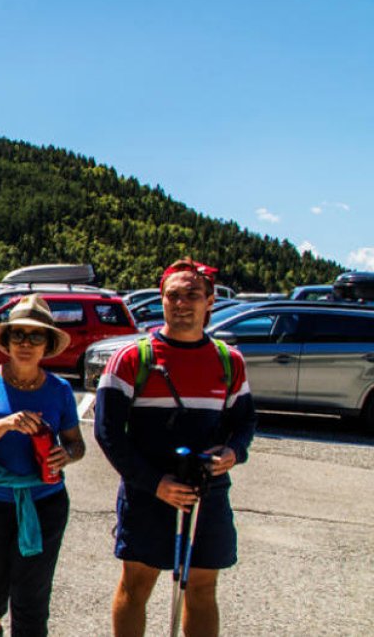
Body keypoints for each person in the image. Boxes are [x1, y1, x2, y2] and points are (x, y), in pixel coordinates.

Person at [94, 259, 257, 637]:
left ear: (210, 301)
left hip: (207, 491)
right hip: (148, 493)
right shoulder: (132, 359)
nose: (182, 304)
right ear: (162, 299)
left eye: (192, 295)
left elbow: (245, 422)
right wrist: (155, 484)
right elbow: (108, 433)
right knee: (136, 585)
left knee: (201, 588)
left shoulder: (228, 361)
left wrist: (234, 452)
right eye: (173, 296)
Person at [0, 294, 86, 637]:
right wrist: (5, 424)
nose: (26, 344)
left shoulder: (59, 390)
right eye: (18, 335)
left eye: (36, 336)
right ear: (8, 340)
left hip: (44, 504)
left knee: (32, 597)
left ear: (48, 344)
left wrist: (67, 455)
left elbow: (76, 444)